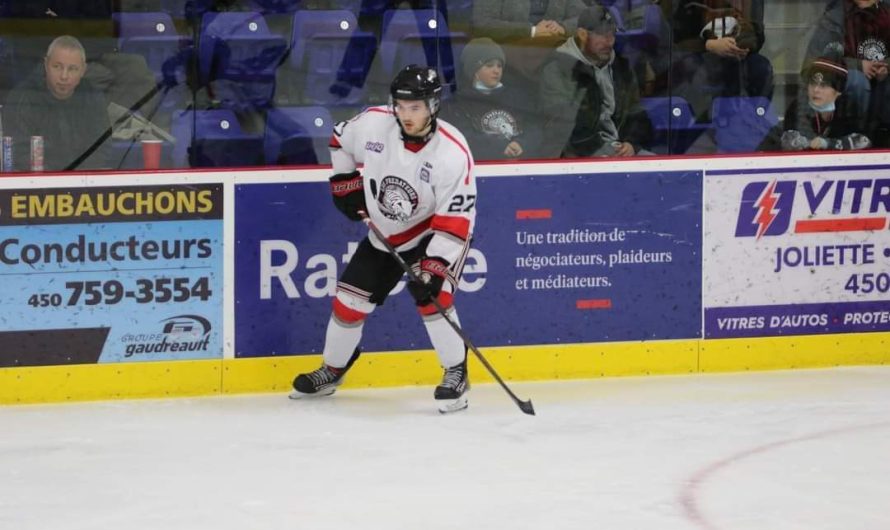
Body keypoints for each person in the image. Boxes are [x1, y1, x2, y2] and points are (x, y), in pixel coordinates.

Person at [289, 65, 477, 414]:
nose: (406, 115)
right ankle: (333, 369)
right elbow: (339, 139)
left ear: (433, 105)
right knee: (349, 301)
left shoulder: (452, 152)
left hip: (432, 232)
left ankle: (456, 371)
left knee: (433, 298)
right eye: (401, 106)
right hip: (384, 233)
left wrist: (434, 268)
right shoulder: (375, 124)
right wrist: (344, 182)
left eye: (415, 107)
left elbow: (455, 220)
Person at [537, 4, 653, 158]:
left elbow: (637, 114)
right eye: (602, 35)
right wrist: (605, 152)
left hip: (619, 152)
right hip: (578, 158)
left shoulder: (621, 68)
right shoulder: (558, 69)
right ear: (582, 34)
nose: (609, 41)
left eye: (612, 34)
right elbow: (563, 127)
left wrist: (632, 143)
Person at [4, 35, 111, 171]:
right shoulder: (23, 97)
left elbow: (102, 147)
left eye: (72, 69)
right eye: (57, 67)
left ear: (83, 70)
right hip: (38, 180)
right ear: (46, 65)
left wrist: (79, 176)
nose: (64, 76)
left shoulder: (92, 97)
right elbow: (19, 152)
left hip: (83, 178)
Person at [440, 37, 542, 160]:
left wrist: (522, 144)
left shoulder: (517, 98)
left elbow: (535, 129)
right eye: (489, 65)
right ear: (474, 71)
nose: (496, 71)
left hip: (521, 167)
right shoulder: (458, 104)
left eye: (499, 66)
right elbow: (463, 138)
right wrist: (499, 147)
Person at [671, 0, 773, 120]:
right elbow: (678, 41)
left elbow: (758, 34)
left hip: (738, 55)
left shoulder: (747, 4)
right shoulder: (690, 6)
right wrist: (709, 45)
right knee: (692, 69)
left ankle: (752, 119)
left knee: (761, 67)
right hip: (700, 54)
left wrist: (741, 46)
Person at [805, 0, 890, 145]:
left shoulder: (886, 12)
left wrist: (886, 66)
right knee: (857, 81)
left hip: (882, 83)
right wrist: (858, 65)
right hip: (849, 81)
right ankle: (852, 139)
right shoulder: (837, 15)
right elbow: (818, 59)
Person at [760, 52, 871, 152]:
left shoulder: (848, 108)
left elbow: (863, 141)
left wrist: (827, 144)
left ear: (838, 91)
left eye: (823, 85)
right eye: (812, 84)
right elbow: (788, 142)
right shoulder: (797, 108)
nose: (816, 90)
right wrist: (808, 143)